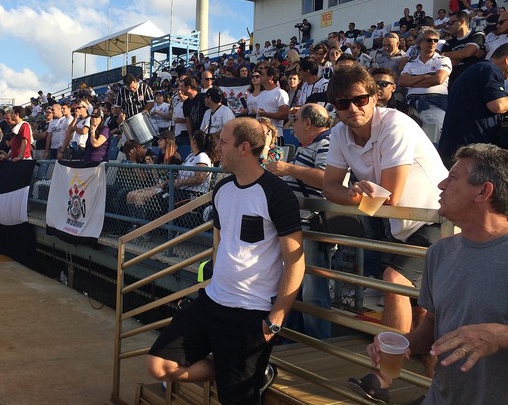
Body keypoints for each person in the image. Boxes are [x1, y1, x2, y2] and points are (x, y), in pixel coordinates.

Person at [147, 118, 305, 404]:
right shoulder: (222, 190)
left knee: (236, 401)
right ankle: (237, 370)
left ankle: (249, 373)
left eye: (223, 141)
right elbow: (220, 246)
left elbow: (295, 261)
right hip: (212, 301)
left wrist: (276, 320)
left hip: (250, 312)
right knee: (160, 365)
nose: (217, 146)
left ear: (244, 148)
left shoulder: (277, 194)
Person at [350, 144, 508, 405]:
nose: (441, 184)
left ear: (484, 191)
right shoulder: (439, 252)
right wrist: (399, 342)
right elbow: (432, 331)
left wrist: (500, 336)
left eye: (453, 178)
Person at [322, 66, 447, 335]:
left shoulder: (394, 124)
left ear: (375, 96)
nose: (353, 108)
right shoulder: (339, 134)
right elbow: (329, 187)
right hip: (400, 225)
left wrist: (353, 198)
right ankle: (419, 366)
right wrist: (353, 195)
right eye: (344, 103)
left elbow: (391, 197)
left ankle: (387, 371)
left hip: (435, 216)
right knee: (419, 304)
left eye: (360, 99)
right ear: (335, 107)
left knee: (394, 284)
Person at [266, 103, 333, 339]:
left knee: (313, 291)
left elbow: (327, 179)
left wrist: (288, 168)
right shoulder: (312, 145)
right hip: (299, 228)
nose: (292, 126)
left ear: (308, 123)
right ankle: (296, 338)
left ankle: (316, 344)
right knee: (296, 288)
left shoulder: (327, 143)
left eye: (295, 120)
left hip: (312, 228)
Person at [438, 43, 508, 166]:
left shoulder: (475, 70)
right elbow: (498, 105)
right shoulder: (489, 69)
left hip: (457, 149)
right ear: (507, 60)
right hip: (470, 152)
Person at [398, 27, 452, 142]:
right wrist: (426, 76)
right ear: (420, 43)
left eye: (435, 40)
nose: (433, 43)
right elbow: (402, 82)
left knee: (434, 140)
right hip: (412, 105)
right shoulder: (410, 63)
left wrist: (412, 80)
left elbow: (438, 79)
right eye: (429, 40)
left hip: (435, 104)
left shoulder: (443, 60)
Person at [441, 11, 486, 86]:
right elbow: (450, 63)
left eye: (451, 23)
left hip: (473, 80)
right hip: (454, 82)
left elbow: (466, 52)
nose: (448, 26)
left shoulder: (477, 34)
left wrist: (464, 54)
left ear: (461, 22)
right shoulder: (448, 43)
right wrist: (470, 54)